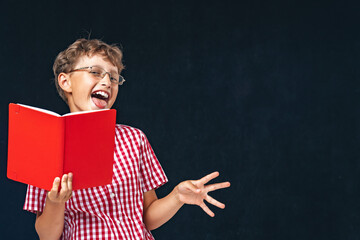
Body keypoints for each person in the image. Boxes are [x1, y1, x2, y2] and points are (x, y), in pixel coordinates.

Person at [24, 38, 231, 240]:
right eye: (95, 72)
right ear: (65, 81)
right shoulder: (45, 146)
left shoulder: (134, 139)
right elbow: (47, 236)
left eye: (114, 78)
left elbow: (147, 217)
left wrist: (177, 197)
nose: (106, 82)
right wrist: (55, 202)